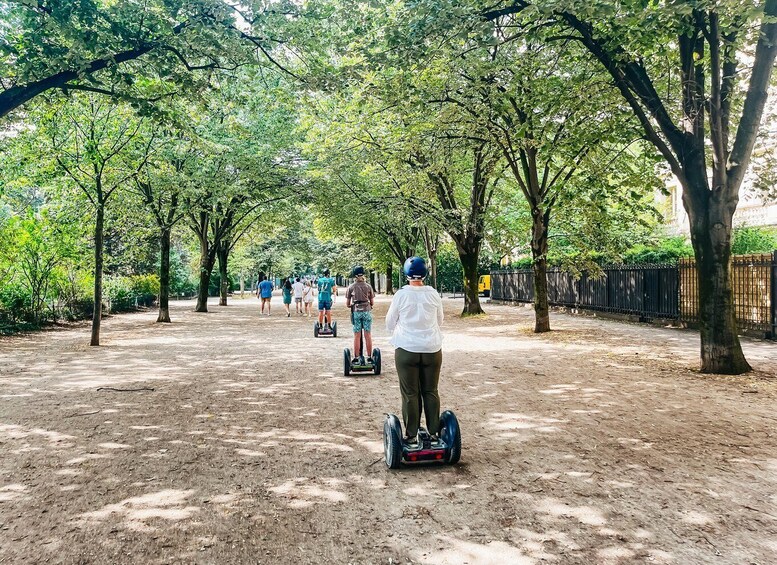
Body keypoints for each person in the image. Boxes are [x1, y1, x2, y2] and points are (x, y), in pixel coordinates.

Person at [386, 257, 444, 444]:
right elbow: (440, 320)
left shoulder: (401, 295)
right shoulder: (433, 294)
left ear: (406, 274)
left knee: (410, 393)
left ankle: (411, 434)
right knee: (430, 390)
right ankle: (434, 432)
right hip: (432, 349)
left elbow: (389, 323)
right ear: (426, 273)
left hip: (407, 349)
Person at [346, 266, 375, 364]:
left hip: (356, 311)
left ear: (354, 275)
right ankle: (370, 356)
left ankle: (357, 357)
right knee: (368, 335)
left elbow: (347, 304)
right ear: (363, 274)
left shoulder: (351, 287)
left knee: (357, 335)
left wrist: (351, 305)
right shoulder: (368, 286)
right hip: (366, 311)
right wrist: (369, 304)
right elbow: (372, 302)